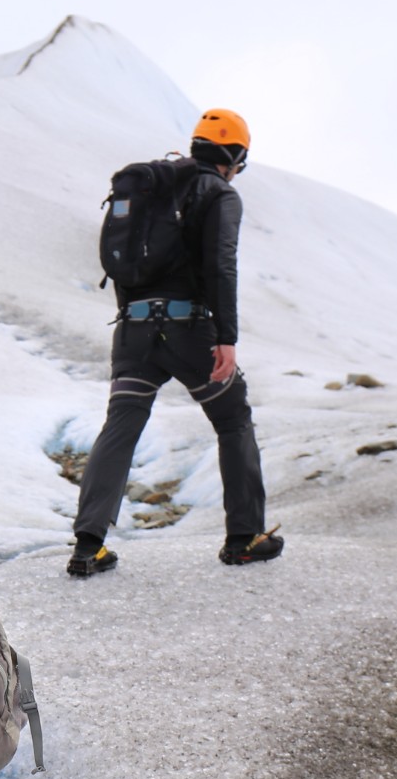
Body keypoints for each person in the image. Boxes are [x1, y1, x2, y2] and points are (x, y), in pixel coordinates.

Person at [68, 108, 279, 577]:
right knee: (232, 418)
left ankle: (88, 547)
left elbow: (123, 265)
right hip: (190, 332)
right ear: (236, 156)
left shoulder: (149, 189)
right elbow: (221, 266)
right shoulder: (218, 194)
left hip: (133, 331)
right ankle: (245, 538)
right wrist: (225, 338)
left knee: (121, 426)